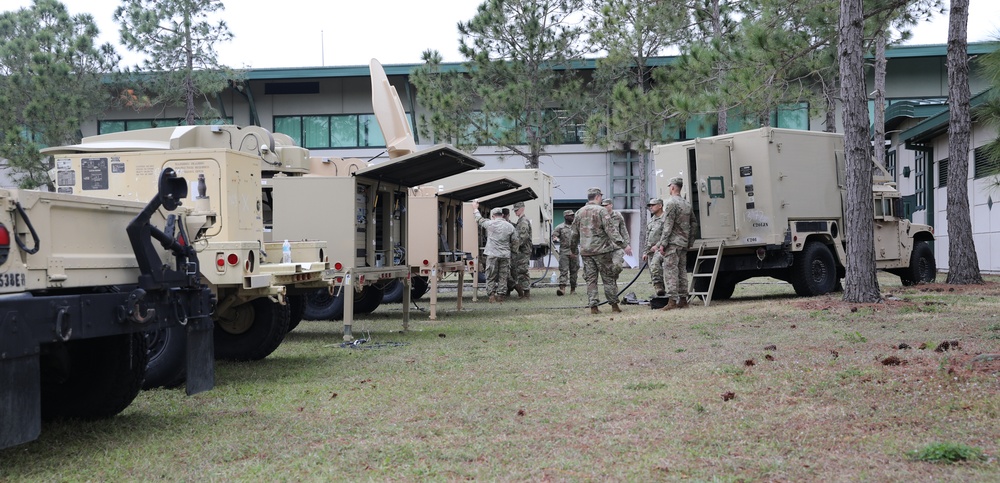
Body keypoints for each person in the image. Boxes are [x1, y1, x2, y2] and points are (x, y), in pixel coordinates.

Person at [571, 187, 627, 314]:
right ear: (597, 197)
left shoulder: (579, 212)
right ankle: (614, 305)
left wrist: (573, 249)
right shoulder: (601, 211)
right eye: (600, 196)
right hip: (602, 251)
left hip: (586, 252)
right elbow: (610, 230)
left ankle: (593, 306)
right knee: (608, 278)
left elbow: (573, 234)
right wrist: (621, 244)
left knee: (591, 279)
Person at [653, 177, 698, 310]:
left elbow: (668, 225)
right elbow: (694, 224)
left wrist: (663, 243)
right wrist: (690, 241)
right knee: (682, 271)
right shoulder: (686, 204)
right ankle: (683, 299)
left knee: (670, 270)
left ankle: (672, 300)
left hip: (672, 243)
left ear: (672, 187)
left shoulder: (671, 203)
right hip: (683, 243)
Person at [473, 202, 518, 303]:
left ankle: (491, 296)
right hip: (505, 255)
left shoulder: (490, 223)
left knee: (490, 276)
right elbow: (515, 241)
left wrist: (475, 209)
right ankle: (501, 296)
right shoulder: (510, 226)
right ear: (502, 215)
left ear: (493, 216)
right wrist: (513, 252)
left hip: (492, 254)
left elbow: (479, 220)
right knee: (503, 276)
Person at [601, 199, 632, 277]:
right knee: (606, 269)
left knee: (617, 266)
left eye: (606, 205)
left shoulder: (617, 215)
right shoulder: (601, 216)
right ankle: (611, 283)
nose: (604, 207)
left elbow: (623, 230)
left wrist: (626, 244)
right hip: (604, 247)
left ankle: (613, 278)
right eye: (603, 205)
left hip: (617, 246)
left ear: (611, 205)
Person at [551, 209, 579, 296]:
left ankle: (573, 289)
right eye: (571, 215)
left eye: (573, 215)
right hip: (564, 251)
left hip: (574, 251)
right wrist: (556, 239)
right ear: (566, 217)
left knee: (574, 271)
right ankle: (562, 289)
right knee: (563, 270)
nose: (572, 217)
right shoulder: (560, 227)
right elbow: (554, 236)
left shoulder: (576, 227)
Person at [508, 201, 532, 299]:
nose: (515, 212)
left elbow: (522, 238)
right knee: (519, 271)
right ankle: (524, 292)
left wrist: (513, 247)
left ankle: (526, 293)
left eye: (517, 210)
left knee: (522, 272)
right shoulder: (520, 221)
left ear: (522, 209)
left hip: (523, 251)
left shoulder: (523, 222)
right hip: (521, 251)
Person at [642, 198, 666, 296]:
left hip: (661, 249)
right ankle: (661, 292)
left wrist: (658, 245)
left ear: (660, 205)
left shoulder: (666, 218)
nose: (651, 207)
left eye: (653, 205)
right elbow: (647, 237)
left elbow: (666, 234)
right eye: (650, 206)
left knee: (655, 266)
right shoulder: (651, 221)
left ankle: (660, 289)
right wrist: (645, 252)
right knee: (653, 272)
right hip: (650, 251)